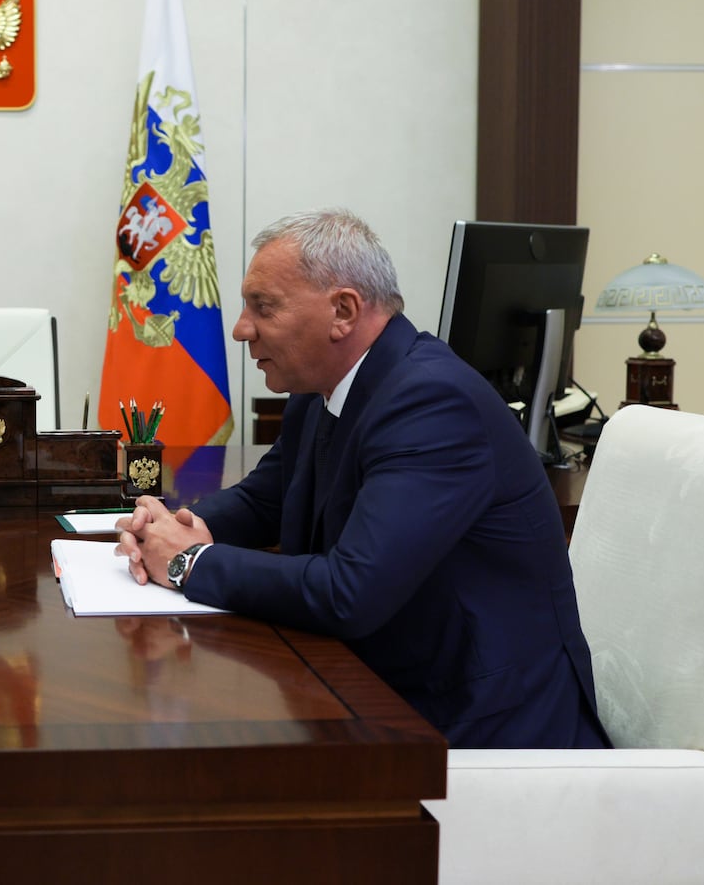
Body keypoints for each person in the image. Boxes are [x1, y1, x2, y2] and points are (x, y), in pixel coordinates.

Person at [115, 209, 608, 749]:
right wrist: (175, 526)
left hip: (475, 725)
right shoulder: (321, 385)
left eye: (264, 307)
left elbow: (350, 592)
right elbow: (267, 500)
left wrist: (188, 562)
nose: (241, 328)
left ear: (343, 312)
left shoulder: (432, 403)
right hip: (370, 685)